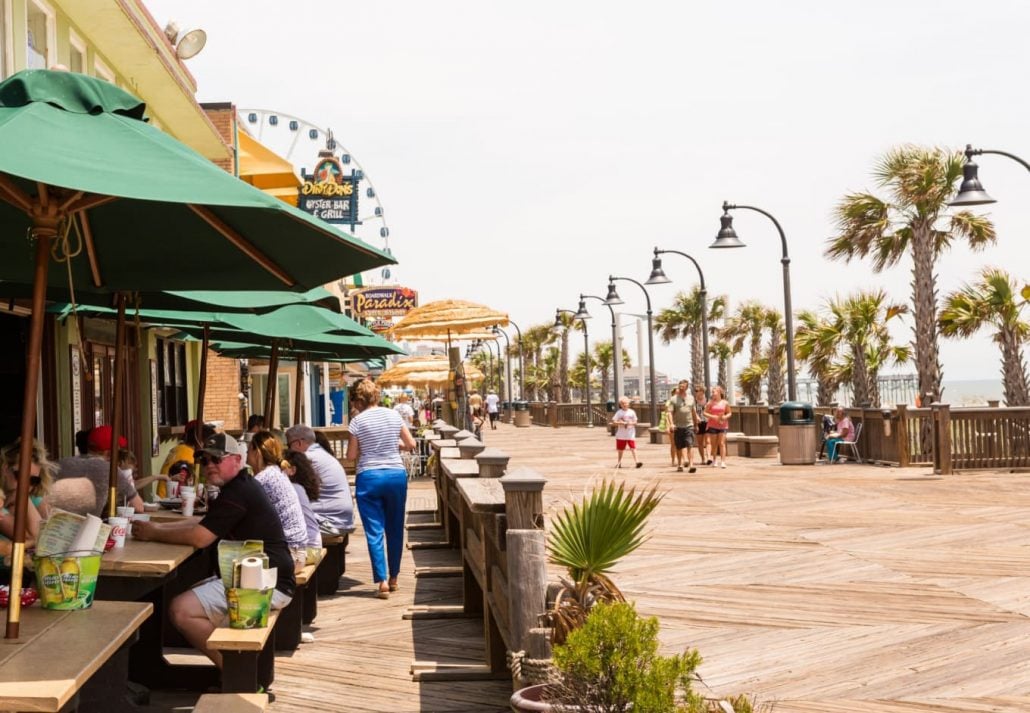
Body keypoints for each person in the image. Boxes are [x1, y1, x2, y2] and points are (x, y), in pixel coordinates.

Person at [132, 432, 295, 669]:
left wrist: (153, 533)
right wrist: (157, 526)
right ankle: (235, 668)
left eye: (216, 460)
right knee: (192, 593)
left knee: (181, 610)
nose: (209, 466)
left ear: (237, 460)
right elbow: (205, 524)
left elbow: (200, 538)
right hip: (265, 576)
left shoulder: (238, 492)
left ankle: (239, 673)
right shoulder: (238, 486)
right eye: (205, 461)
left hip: (267, 583)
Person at [346, 379, 417, 599]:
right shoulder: (394, 415)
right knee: (395, 527)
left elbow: (350, 456)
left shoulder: (357, 422)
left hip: (369, 476)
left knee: (374, 530)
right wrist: (393, 444)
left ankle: (383, 581)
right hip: (395, 474)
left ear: (359, 400)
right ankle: (395, 577)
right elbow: (411, 444)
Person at [247, 432, 309, 568]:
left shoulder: (263, 478)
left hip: (288, 555)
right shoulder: (276, 471)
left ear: (256, 452)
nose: (246, 452)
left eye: (248, 448)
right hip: (298, 551)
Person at [55, 425, 143, 516]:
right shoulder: (110, 469)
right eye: (118, 450)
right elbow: (138, 506)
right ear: (109, 452)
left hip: (54, 525)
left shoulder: (60, 463)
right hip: (88, 527)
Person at [285, 424, 354, 531]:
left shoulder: (308, 458)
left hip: (331, 521)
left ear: (298, 443)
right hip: (342, 517)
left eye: (289, 446)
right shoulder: (322, 454)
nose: (288, 451)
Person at [157, 420, 215, 498]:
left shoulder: (180, 449)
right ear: (200, 441)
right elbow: (185, 485)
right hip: (171, 501)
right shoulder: (188, 454)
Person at [283, 450, 322, 562]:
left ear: (292, 470)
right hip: (314, 546)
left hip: (307, 550)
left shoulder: (291, 488)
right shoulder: (300, 488)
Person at [667, 380, 698, 473]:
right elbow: (669, 413)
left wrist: (696, 424)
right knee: (679, 446)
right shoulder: (673, 399)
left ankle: (691, 464)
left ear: (686, 388)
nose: (681, 388)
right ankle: (680, 464)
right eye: (680, 386)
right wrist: (671, 424)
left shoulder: (691, 398)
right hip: (678, 426)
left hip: (689, 425)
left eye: (683, 386)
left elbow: (693, 412)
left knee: (690, 445)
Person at [704, 386, 732, 469]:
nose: (713, 394)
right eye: (712, 392)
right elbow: (704, 413)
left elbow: (729, 413)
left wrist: (725, 417)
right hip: (712, 425)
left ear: (720, 393)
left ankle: (723, 461)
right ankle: (714, 460)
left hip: (723, 425)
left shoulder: (725, 403)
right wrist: (713, 417)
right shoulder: (710, 403)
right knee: (714, 444)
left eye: (714, 392)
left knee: (722, 443)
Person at [610, 397, 643, 469]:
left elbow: (635, 422)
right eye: (623, 403)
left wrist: (630, 423)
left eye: (626, 403)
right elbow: (614, 421)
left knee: (633, 448)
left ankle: (637, 462)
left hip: (630, 433)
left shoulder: (632, 412)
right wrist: (620, 423)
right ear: (620, 405)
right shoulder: (619, 412)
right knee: (620, 450)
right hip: (621, 434)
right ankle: (619, 463)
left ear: (628, 404)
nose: (625, 405)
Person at [694, 385, 711, 465]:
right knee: (700, 442)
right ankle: (703, 459)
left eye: (698, 391)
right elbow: (693, 411)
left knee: (708, 441)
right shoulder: (694, 401)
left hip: (707, 422)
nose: (696, 393)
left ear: (702, 391)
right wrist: (696, 417)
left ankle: (709, 458)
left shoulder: (708, 400)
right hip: (698, 423)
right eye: (696, 391)